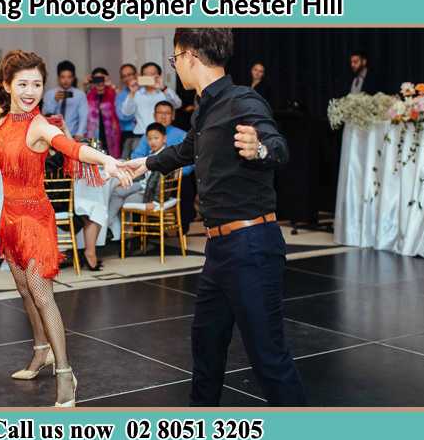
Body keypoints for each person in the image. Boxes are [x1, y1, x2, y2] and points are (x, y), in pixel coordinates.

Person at [124, 28, 307, 407]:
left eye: (175, 59)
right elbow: (186, 150)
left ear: (190, 55)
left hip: (251, 247)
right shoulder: (205, 107)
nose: (176, 67)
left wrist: (259, 150)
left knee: (268, 359)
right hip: (220, 250)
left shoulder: (243, 100)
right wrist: (143, 164)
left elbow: (278, 146)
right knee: (206, 347)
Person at [0, 50, 132, 407]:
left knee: (42, 295)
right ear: (7, 86)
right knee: (24, 291)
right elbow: (3, 115)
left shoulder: (40, 125)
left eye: (37, 84)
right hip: (10, 218)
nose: (31, 91)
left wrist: (106, 159)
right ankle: (41, 350)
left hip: (35, 220)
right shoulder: (6, 118)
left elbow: (72, 148)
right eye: (23, 84)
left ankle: (65, 373)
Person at [130, 100, 195, 234]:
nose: (163, 116)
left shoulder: (182, 134)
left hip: (175, 177)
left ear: (173, 116)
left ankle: (183, 224)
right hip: (152, 175)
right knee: (134, 187)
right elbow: (136, 155)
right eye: (160, 113)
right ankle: (141, 231)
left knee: (186, 184)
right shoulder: (150, 134)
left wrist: (182, 171)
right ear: (154, 115)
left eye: (167, 113)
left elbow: (191, 158)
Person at [108, 122, 167, 229]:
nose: (152, 141)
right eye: (149, 139)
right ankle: (111, 223)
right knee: (117, 191)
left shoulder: (164, 157)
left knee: (128, 200)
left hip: (151, 192)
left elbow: (163, 182)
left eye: (156, 138)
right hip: (144, 185)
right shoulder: (153, 153)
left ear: (164, 139)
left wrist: (156, 201)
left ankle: (125, 230)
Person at [121, 62, 182, 142]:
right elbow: (126, 112)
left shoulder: (165, 92)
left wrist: (163, 88)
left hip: (162, 137)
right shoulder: (136, 94)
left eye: (152, 74)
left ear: (159, 76)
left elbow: (178, 105)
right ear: (141, 77)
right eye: (145, 74)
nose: (149, 77)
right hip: (141, 136)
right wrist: (132, 93)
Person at [42, 60, 88, 141]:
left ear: (73, 78)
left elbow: (83, 116)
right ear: (58, 78)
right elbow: (45, 115)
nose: (66, 80)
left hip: (73, 135)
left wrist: (80, 133)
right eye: (63, 77)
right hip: (53, 136)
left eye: (69, 77)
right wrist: (55, 101)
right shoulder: (49, 94)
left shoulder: (80, 95)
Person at [85, 67, 121, 158]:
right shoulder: (89, 94)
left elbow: (121, 106)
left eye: (102, 78)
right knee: (94, 159)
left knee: (112, 160)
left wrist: (111, 85)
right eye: (96, 79)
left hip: (111, 134)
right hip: (94, 134)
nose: (99, 81)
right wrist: (85, 85)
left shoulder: (113, 92)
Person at [116, 63, 138, 158]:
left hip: (147, 132)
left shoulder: (145, 90)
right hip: (128, 134)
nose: (127, 78)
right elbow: (122, 117)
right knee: (126, 161)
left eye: (130, 74)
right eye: (124, 76)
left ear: (136, 74)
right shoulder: (120, 96)